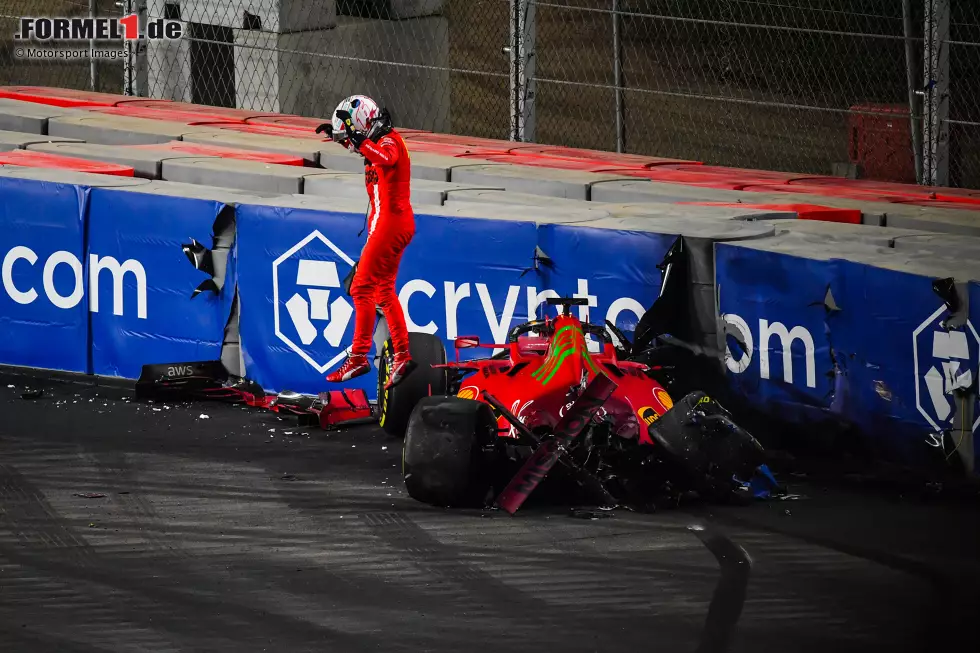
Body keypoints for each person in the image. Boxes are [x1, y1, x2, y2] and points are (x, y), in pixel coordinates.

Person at [315, 95, 416, 388]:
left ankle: (359, 356)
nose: (347, 146)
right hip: (388, 225)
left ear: (360, 126)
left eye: (348, 138)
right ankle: (402, 355)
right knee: (383, 290)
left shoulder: (389, 141)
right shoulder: (374, 142)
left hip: (391, 224)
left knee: (361, 286)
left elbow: (387, 158)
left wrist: (359, 141)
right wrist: (342, 136)